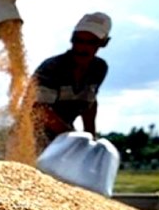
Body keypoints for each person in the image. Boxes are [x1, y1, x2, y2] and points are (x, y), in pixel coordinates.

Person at [31, 12, 112, 151]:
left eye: (90, 42)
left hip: (62, 138)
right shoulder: (52, 68)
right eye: (78, 41)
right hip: (31, 135)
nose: (82, 48)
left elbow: (90, 105)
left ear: (104, 43)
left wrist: (90, 139)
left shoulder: (99, 68)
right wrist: (73, 138)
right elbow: (39, 110)